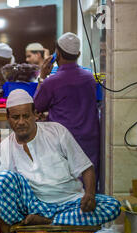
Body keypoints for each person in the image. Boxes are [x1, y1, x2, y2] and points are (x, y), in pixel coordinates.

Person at [0, 89, 120, 233]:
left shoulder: (56, 132)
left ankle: (50, 221)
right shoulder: (4, 149)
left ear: (35, 115)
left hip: (71, 203)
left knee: (112, 206)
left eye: (26, 116)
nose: (21, 122)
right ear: (8, 118)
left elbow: (86, 168)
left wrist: (89, 194)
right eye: (16, 117)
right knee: (1, 178)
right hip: (35, 206)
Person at [33, 32, 101, 182]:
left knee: (66, 189)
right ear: (78, 54)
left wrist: (42, 77)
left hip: (64, 143)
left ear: (57, 53)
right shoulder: (89, 78)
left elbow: (36, 106)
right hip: (89, 141)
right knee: (87, 186)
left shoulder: (52, 82)